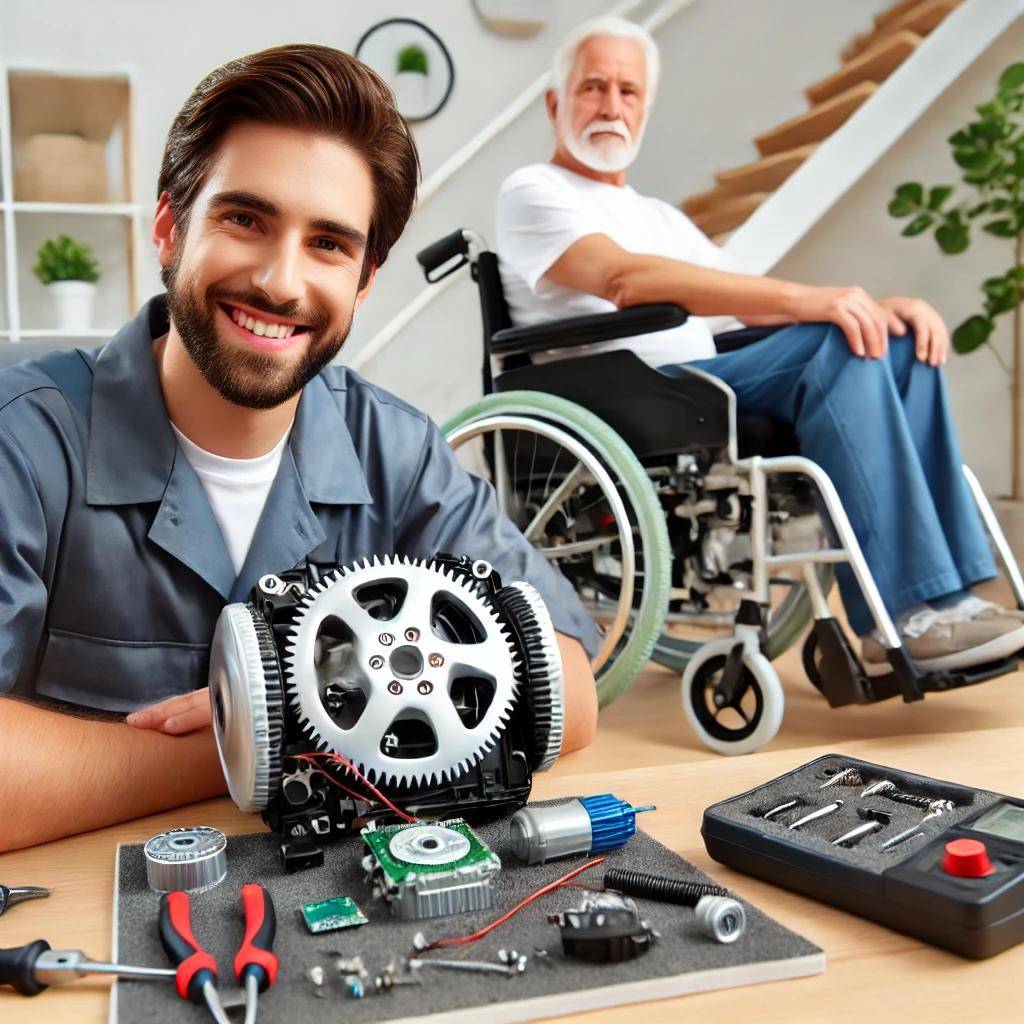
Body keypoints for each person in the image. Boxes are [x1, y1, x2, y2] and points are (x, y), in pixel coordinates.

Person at [0, 45, 599, 854]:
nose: (282, 283)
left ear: (363, 282)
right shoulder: (24, 443)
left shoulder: (397, 452)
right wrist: (258, 739)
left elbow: (568, 692)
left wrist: (273, 714)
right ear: (170, 228)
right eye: (245, 219)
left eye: (328, 243)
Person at [496, 16, 1024, 675]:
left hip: (699, 377)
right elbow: (622, 279)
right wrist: (818, 304)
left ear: (645, 110)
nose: (610, 105)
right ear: (555, 103)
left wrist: (873, 310)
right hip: (625, 391)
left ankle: (951, 600)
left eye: (627, 92)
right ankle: (903, 618)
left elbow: (743, 295)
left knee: (895, 345)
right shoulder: (533, 192)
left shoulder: (662, 218)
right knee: (833, 340)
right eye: (592, 87)